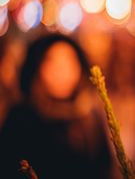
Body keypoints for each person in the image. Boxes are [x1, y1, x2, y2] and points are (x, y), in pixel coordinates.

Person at [0, 34, 113, 179]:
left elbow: (105, 168)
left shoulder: (88, 116)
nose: (62, 71)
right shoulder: (20, 119)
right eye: (51, 62)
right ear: (37, 66)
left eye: (69, 61)